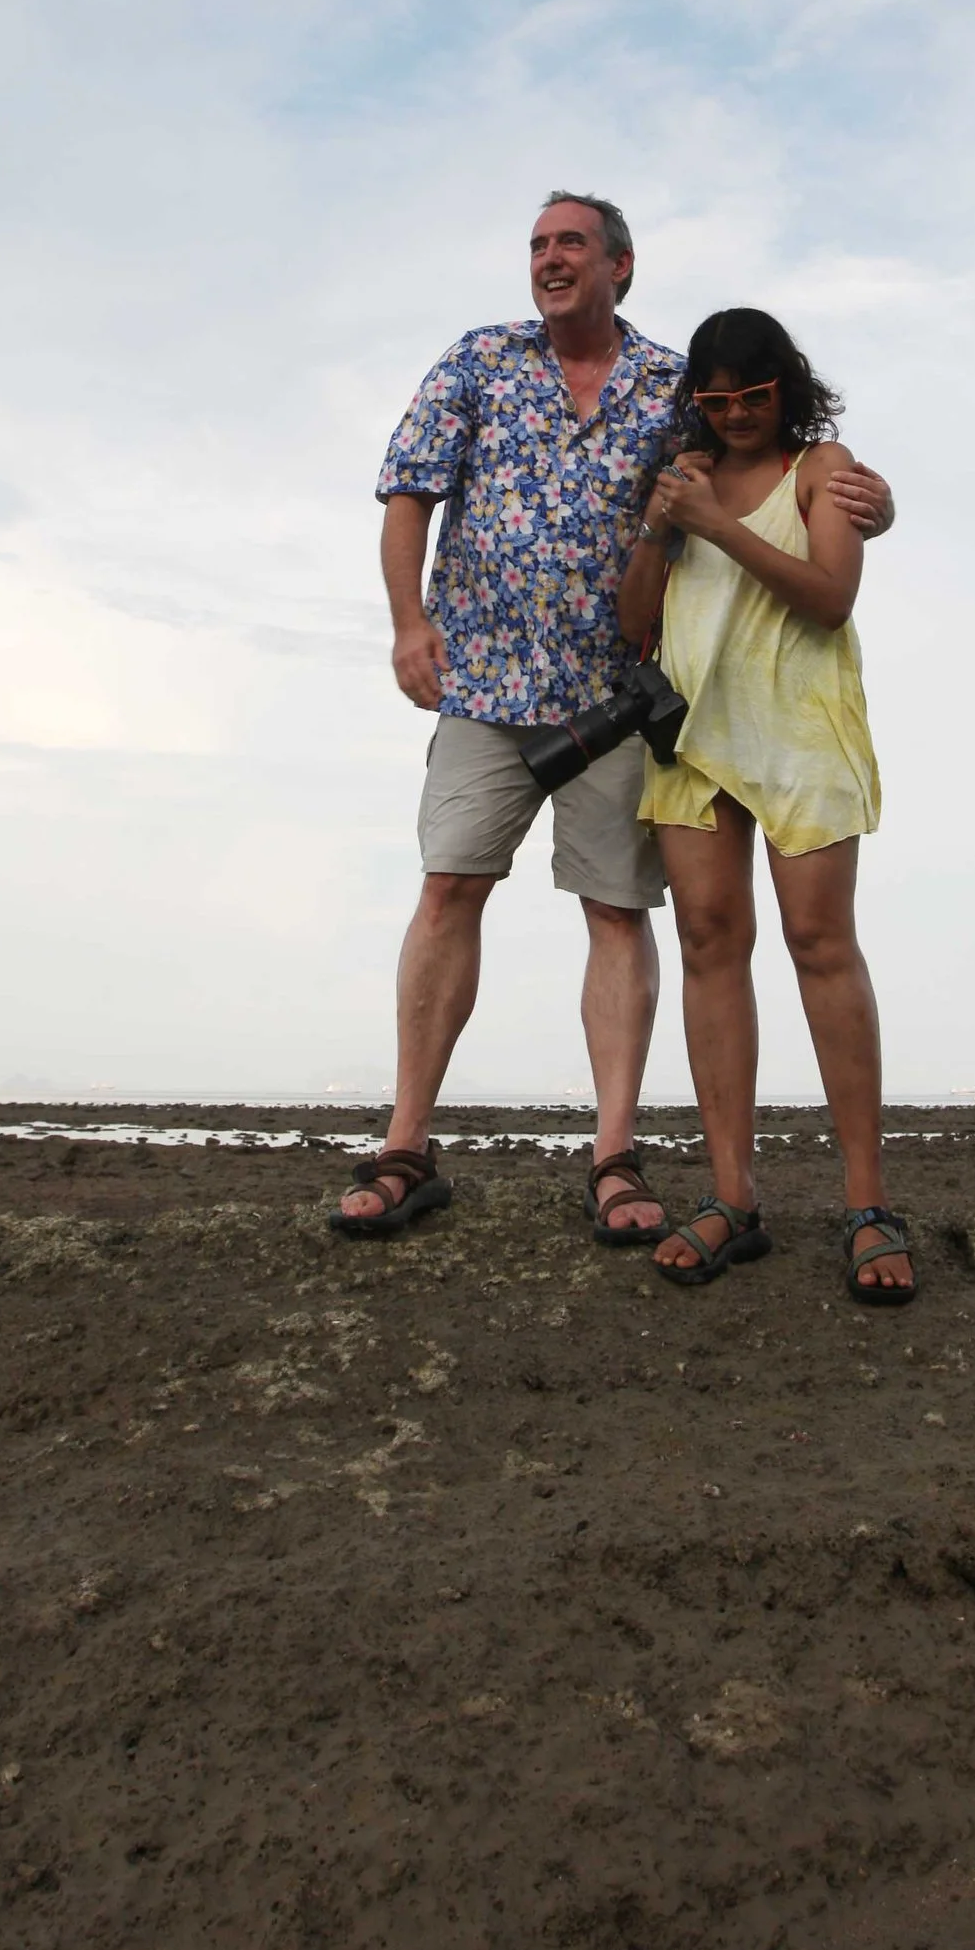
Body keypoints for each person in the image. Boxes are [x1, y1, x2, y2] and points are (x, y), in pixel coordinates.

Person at [336, 199, 896, 1241]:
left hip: (621, 697)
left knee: (619, 911)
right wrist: (409, 623)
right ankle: (408, 1145)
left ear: (619, 267)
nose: (550, 259)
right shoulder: (480, 359)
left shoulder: (668, 382)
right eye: (539, 246)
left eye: (571, 244)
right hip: (488, 684)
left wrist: (871, 493)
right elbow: (407, 490)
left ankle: (620, 1159)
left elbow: (784, 474)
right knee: (453, 886)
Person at [615, 306, 912, 1306]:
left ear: (785, 387)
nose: (735, 414)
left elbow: (829, 597)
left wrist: (716, 526)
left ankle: (868, 1205)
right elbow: (633, 620)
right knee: (706, 940)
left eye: (752, 395)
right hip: (692, 736)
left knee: (819, 943)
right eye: (715, 399)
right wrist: (665, 526)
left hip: (799, 728)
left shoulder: (825, 468)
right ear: (694, 400)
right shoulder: (682, 481)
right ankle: (733, 1200)